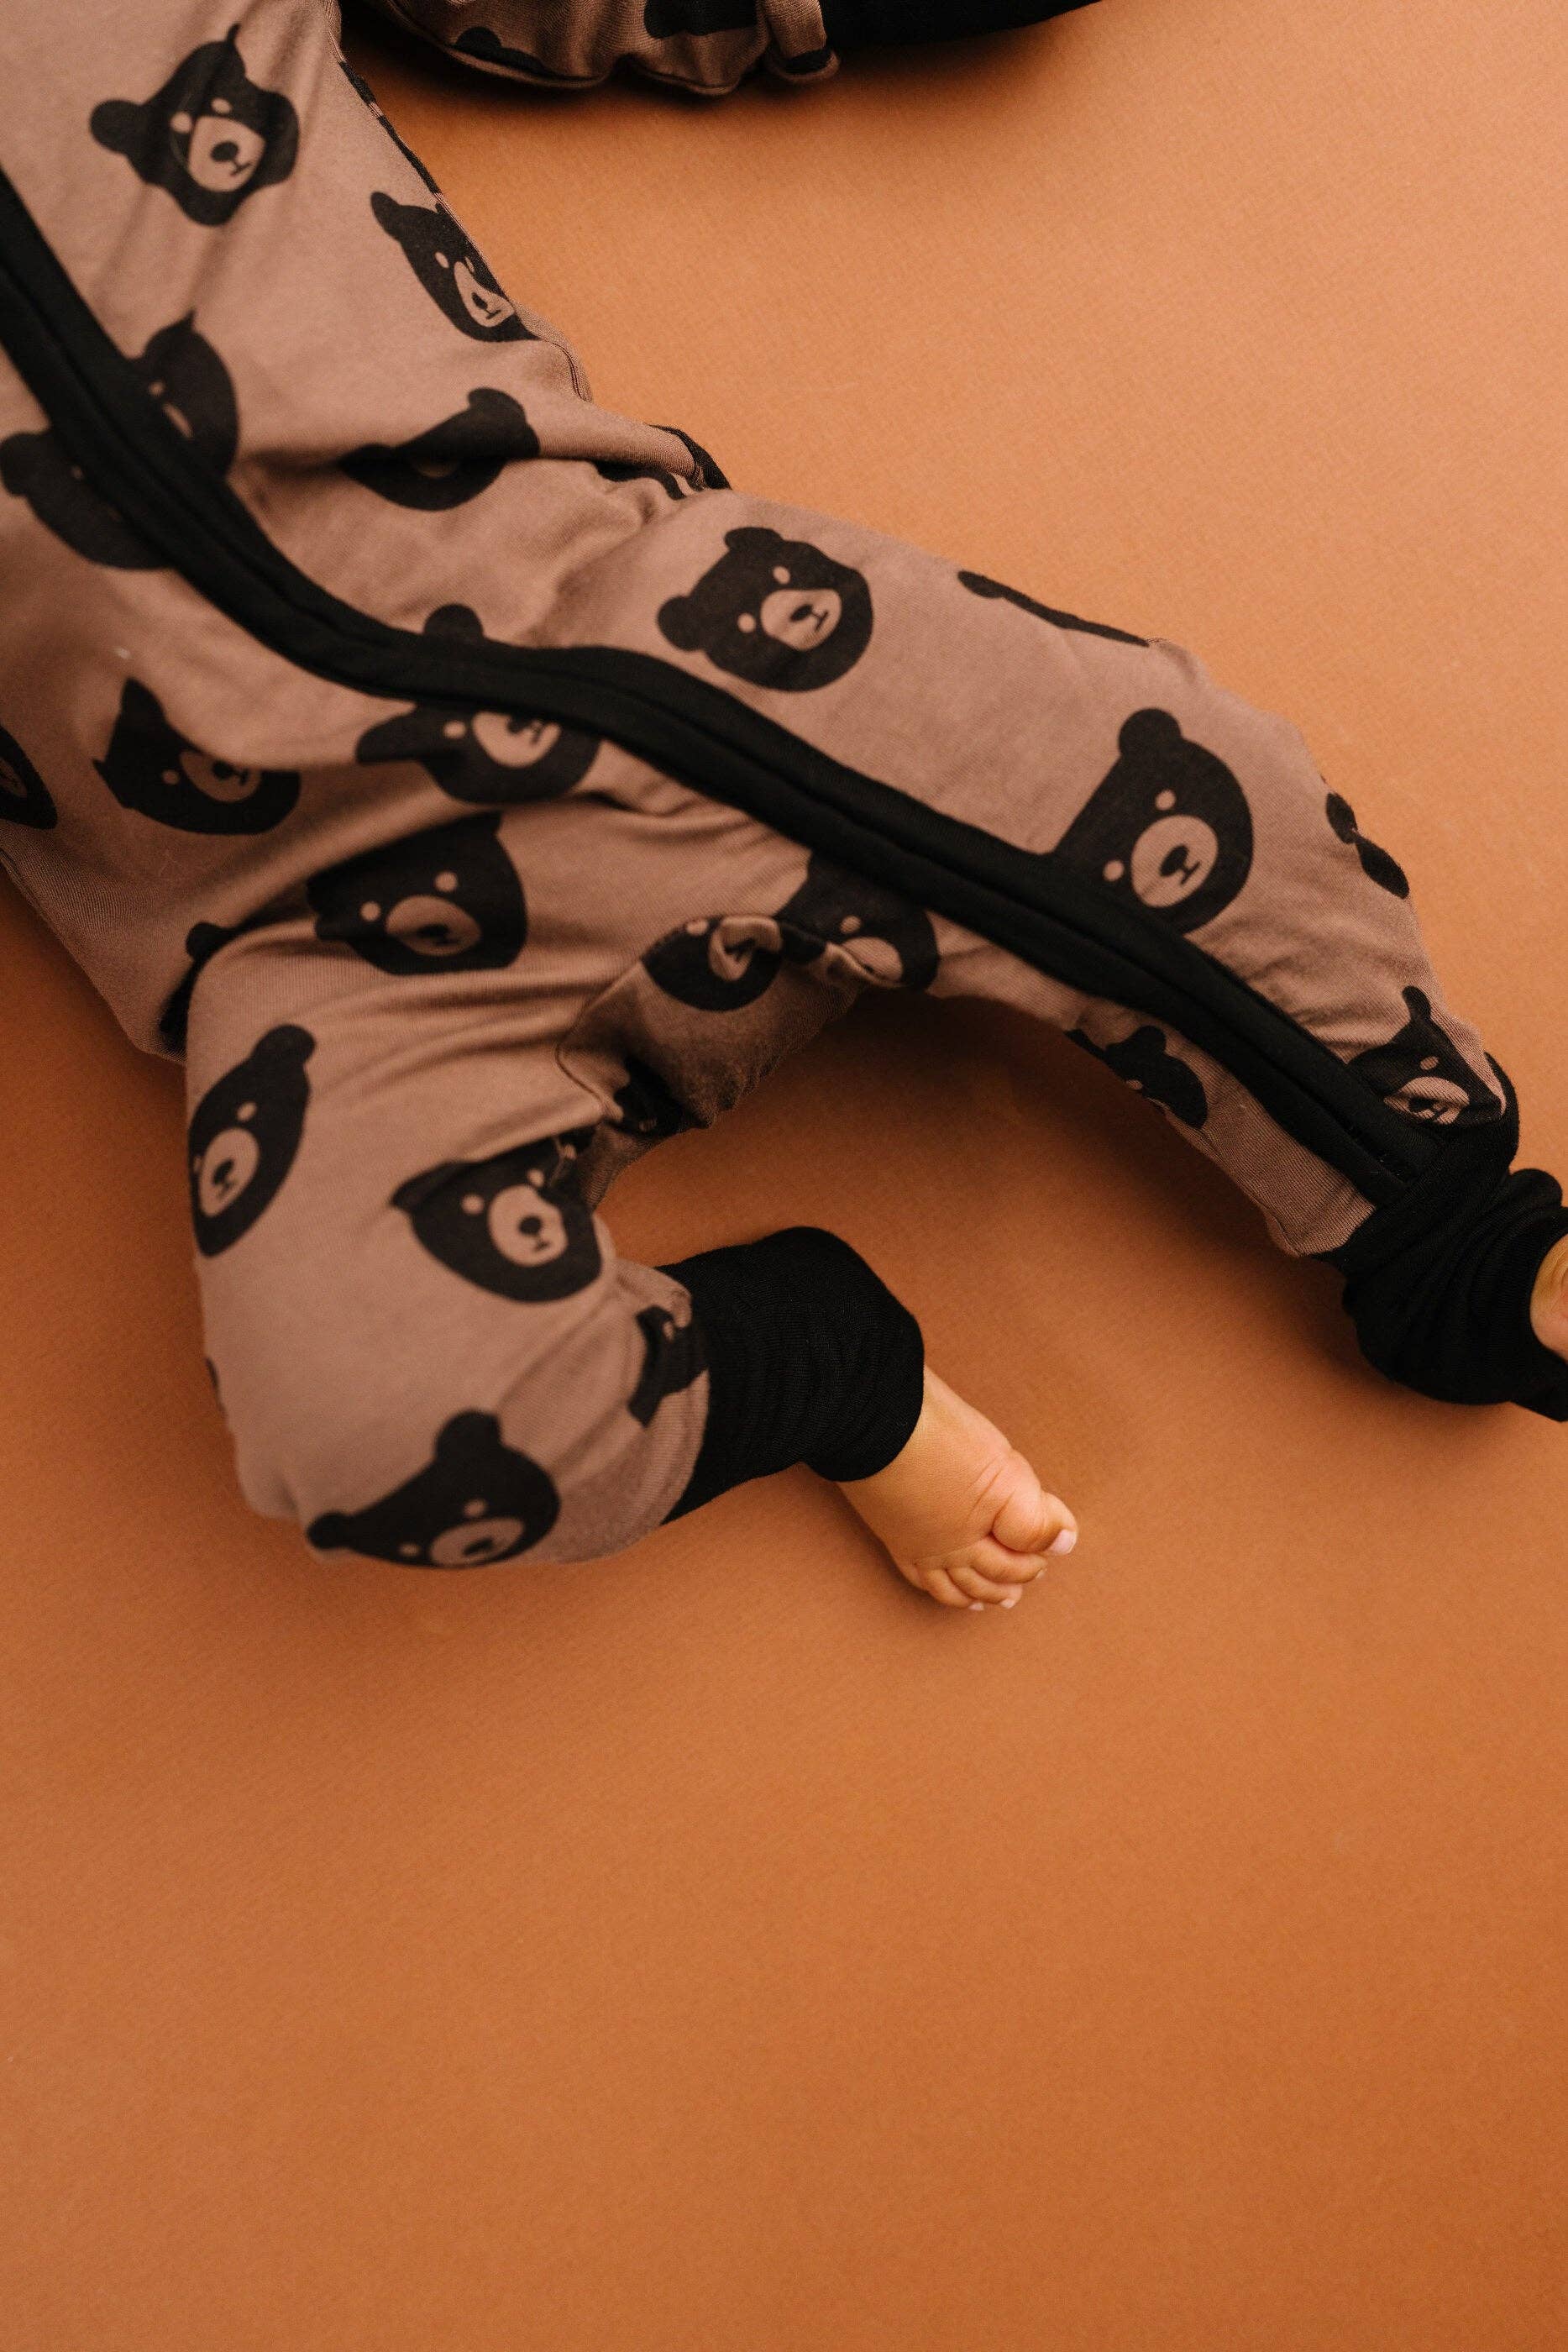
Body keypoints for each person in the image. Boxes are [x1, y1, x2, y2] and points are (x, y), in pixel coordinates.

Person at [1, 0, 1564, 1612]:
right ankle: (827, 1358)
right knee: (369, 1427)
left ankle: (1451, 1228)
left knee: (1190, 805)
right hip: (312, 934)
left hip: (658, 638)